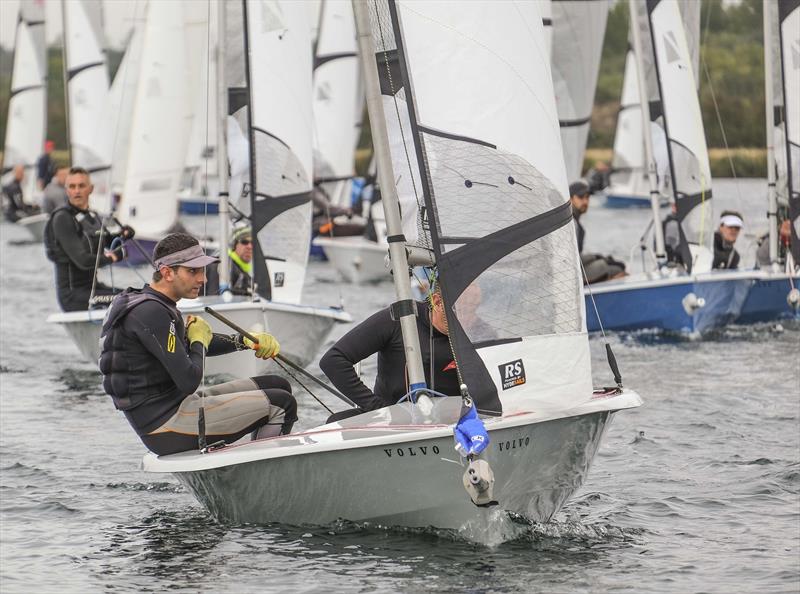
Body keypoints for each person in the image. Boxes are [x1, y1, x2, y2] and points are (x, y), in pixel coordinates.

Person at [99, 232, 297, 456]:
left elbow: (188, 344)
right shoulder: (150, 312)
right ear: (167, 272)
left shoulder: (157, 305)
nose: (202, 279)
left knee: (277, 384)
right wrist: (199, 340)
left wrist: (245, 341)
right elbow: (189, 380)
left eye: (202, 270)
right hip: (165, 426)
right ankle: (262, 475)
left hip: (177, 408)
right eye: (193, 271)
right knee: (281, 403)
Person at [319, 284, 461, 422]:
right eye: (461, 310)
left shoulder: (476, 330)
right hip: (393, 419)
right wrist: (378, 409)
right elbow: (333, 360)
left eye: (474, 309)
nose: (467, 319)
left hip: (458, 419)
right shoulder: (400, 319)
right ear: (437, 302)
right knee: (335, 421)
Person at [43, 167, 134, 311]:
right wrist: (114, 257)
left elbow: (108, 242)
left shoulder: (92, 217)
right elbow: (83, 261)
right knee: (130, 301)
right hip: (74, 296)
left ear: (90, 189)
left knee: (137, 296)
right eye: (72, 187)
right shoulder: (63, 218)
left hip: (93, 289)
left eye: (81, 186)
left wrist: (123, 236)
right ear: (66, 190)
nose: (77, 191)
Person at [569, 180, 626, 284]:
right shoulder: (571, 224)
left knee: (609, 265)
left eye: (587, 197)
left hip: (573, 272)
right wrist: (599, 258)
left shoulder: (574, 222)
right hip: (569, 276)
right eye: (581, 197)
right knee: (617, 270)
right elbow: (571, 259)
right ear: (570, 198)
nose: (585, 202)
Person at [205, 226, 253, 295]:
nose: (249, 246)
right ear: (234, 245)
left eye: (253, 242)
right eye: (244, 242)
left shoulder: (241, 270)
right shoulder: (222, 265)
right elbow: (214, 299)